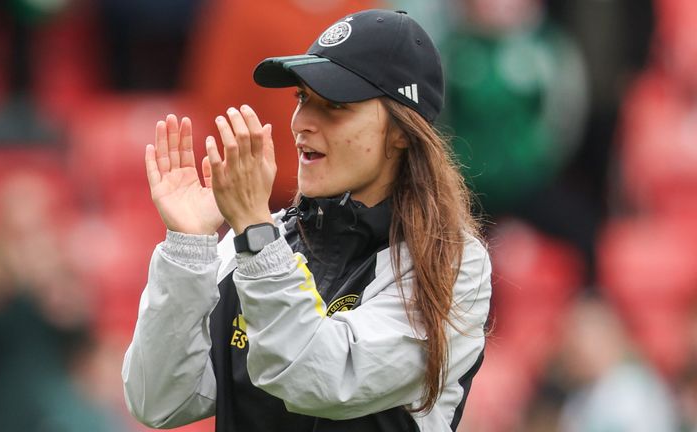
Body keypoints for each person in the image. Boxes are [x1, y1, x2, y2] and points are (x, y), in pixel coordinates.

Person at [122, 9, 492, 432]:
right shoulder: (261, 240)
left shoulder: (450, 260)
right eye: (303, 99)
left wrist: (257, 238)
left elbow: (318, 379)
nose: (301, 123)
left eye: (334, 106)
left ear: (403, 131)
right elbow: (157, 400)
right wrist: (187, 248)